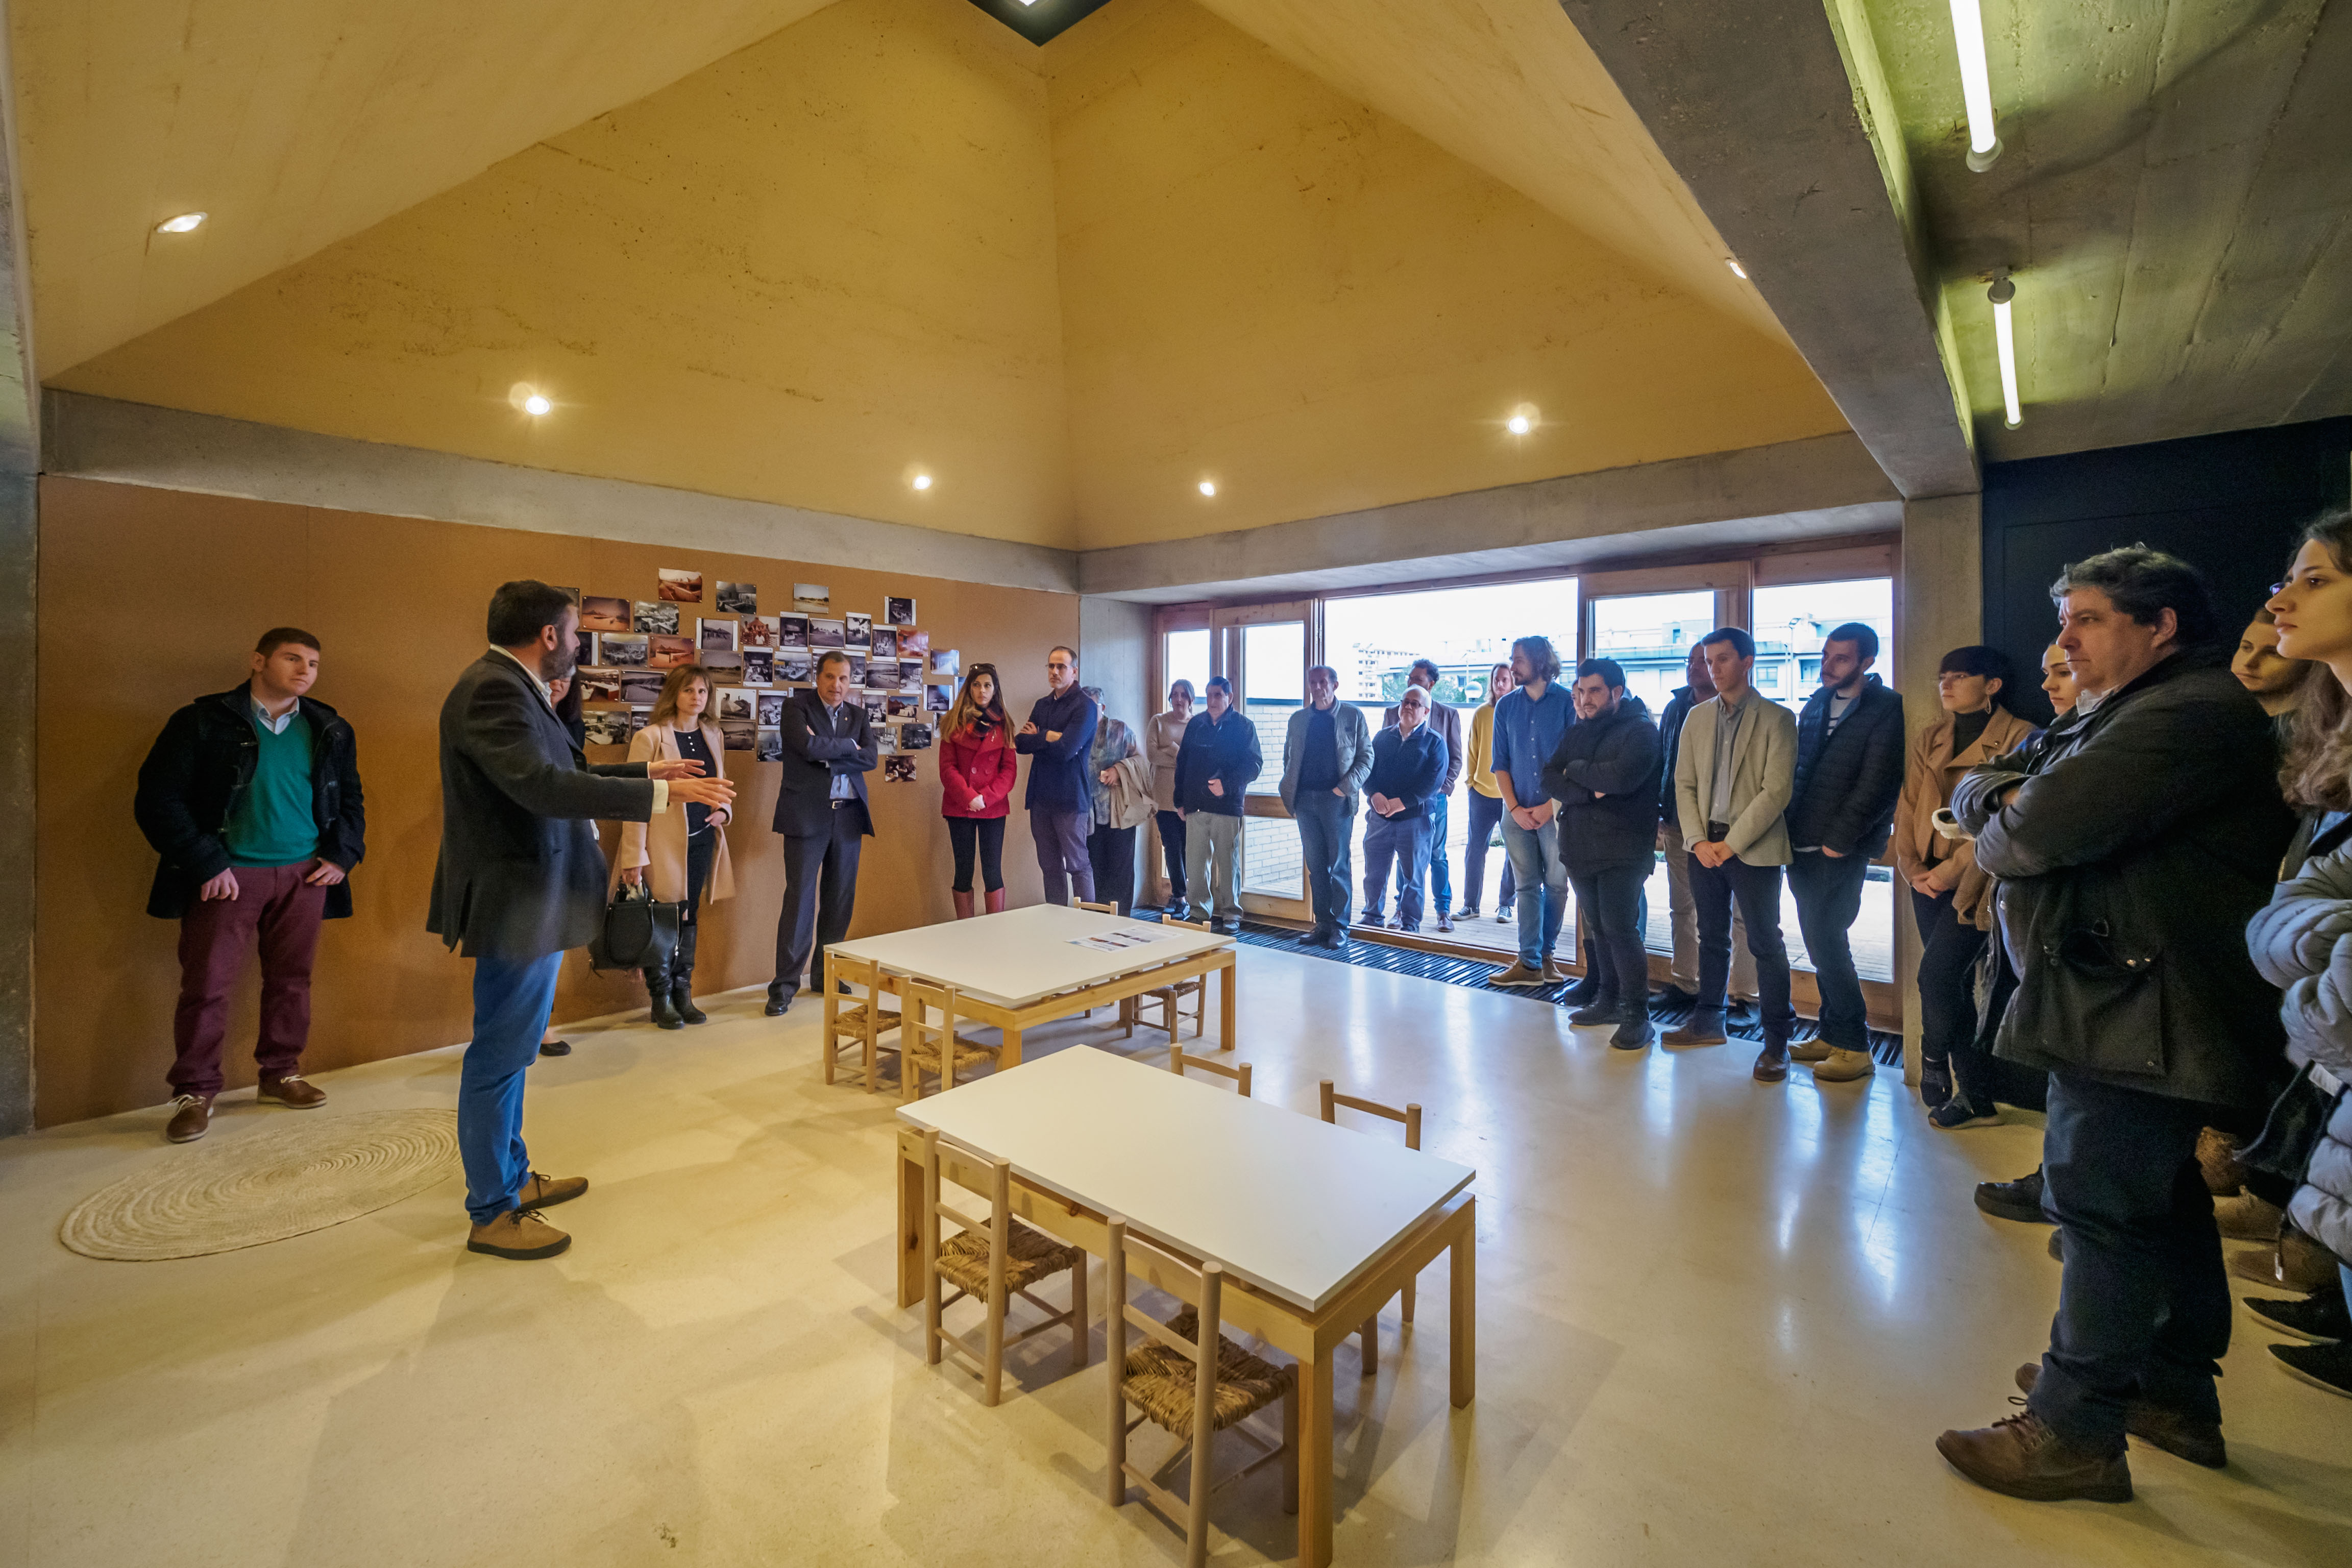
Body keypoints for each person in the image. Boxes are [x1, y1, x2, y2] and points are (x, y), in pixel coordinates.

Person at [1937, 547, 2294, 1501]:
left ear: (2158, 625)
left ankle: (2072, 1428)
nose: (2061, 641)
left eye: (2085, 620)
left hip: (2147, 1007)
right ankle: (2165, 1388)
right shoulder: (2127, 710)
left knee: (2096, 1208)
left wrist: (1990, 805)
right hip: (2126, 997)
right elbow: (2000, 778)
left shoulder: (2184, 714)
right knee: (2157, 1200)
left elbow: (2025, 831)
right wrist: (1991, 794)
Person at [428, 580, 733, 1260]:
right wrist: (661, 790)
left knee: (513, 1049)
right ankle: (490, 1209)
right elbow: (543, 789)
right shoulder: (494, 689)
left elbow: (562, 772)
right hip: (517, 899)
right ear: (548, 637)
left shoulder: (511, 686)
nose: (576, 644)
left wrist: (649, 775)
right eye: (572, 633)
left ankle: (509, 1179)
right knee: (500, 1055)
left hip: (533, 895)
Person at [134, 627, 367, 1143]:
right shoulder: (202, 721)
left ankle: (281, 1073)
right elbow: (159, 800)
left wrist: (342, 854)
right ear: (257, 660)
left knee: (292, 981)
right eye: (293, 658)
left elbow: (350, 799)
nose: (305, 670)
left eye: (313, 663)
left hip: (305, 875)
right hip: (228, 877)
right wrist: (206, 864)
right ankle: (195, 1092)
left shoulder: (328, 727)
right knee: (207, 987)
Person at [2250, 510, 2352, 1396]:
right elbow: (2295, 906)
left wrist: (2318, 979)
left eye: (2313, 580)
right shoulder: (2335, 736)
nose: (2281, 601)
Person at [1891, 647, 2034, 1124]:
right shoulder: (1932, 735)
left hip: (1976, 881)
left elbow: (2003, 823)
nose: (1946, 685)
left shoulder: (2022, 737)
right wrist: (1909, 865)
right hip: (1923, 879)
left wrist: (1946, 873)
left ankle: (1933, 1059)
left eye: (1959, 677)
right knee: (1948, 987)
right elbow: (1909, 804)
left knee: (1936, 978)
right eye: (1942, 677)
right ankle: (1977, 1096)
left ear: (1992, 684)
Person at [1665, 626, 1799, 1074]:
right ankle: (1708, 1022)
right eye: (1708, 660)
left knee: (1764, 942)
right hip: (1703, 845)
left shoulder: (1778, 719)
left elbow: (1776, 792)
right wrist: (1699, 841)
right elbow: (1683, 783)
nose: (1713, 669)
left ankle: (1776, 1041)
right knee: (1712, 936)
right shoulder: (1696, 717)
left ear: (1747, 661)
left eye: (1723, 659)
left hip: (1753, 847)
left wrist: (1731, 844)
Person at [1782, 622, 1905, 1086]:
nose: (1827, 666)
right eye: (1827, 655)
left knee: (1827, 939)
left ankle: (1855, 1044)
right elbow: (1798, 770)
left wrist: (1841, 838)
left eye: (1841, 658)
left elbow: (1878, 783)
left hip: (1840, 847)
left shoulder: (1886, 707)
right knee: (1821, 940)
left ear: (1867, 662)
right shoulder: (1815, 703)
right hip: (1799, 842)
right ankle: (1831, 1034)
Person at [1541, 658, 1664, 1049]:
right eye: (1581, 690)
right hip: (1580, 848)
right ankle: (1608, 1000)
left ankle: (1636, 1015)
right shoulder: (1579, 729)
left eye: (1594, 691)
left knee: (1621, 930)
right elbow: (1548, 777)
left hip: (1623, 849)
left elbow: (1621, 778)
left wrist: (1575, 770)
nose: (1585, 698)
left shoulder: (1641, 731)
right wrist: (1584, 787)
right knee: (1599, 929)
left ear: (1616, 692)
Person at [612, 664, 736, 1030]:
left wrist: (723, 812)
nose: (697, 698)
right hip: (660, 845)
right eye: (689, 691)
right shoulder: (650, 737)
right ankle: (660, 998)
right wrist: (634, 856)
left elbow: (721, 781)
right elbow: (633, 800)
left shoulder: (713, 733)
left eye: (702, 692)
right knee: (663, 918)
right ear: (674, 695)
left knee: (689, 917)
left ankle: (684, 994)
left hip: (700, 839)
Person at [767, 650, 877, 1014]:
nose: (837, 685)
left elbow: (872, 758)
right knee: (800, 901)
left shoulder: (857, 715)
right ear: (819, 677)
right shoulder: (796, 709)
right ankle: (784, 986)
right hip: (806, 817)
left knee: (839, 901)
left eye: (844, 679)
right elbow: (805, 745)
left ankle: (826, 975)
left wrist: (828, 751)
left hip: (847, 817)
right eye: (831, 677)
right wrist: (848, 748)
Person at [1655, 644, 1753, 1010]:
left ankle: (1744, 995)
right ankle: (1686, 984)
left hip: (1737, 831)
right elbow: (1664, 764)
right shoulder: (1676, 708)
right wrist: (1660, 810)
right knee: (1682, 908)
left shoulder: (1748, 712)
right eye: (1694, 661)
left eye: (1708, 661)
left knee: (1743, 918)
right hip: (1682, 826)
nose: (1698, 668)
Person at [1488, 635, 1576, 987]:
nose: (1513, 666)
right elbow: (1500, 764)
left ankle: (1546, 957)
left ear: (1540, 661)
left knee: (1556, 885)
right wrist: (1515, 808)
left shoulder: (1568, 703)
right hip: (1516, 814)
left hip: (1556, 812)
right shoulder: (1506, 706)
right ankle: (1528, 962)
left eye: (1519, 659)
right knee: (1526, 886)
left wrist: (1547, 807)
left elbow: (1575, 763)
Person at [1279, 664, 1373, 948]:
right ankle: (1322, 924)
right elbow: (1289, 758)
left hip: (1337, 802)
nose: (1317, 687)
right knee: (1316, 867)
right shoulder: (1298, 719)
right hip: (1305, 801)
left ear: (1335, 684)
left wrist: (1342, 789)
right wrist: (1293, 792)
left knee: (1339, 867)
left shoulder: (1352, 716)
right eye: (1313, 682)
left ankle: (1341, 927)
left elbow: (1366, 758)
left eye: (1323, 682)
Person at [1375, 659, 1464, 932]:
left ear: (1432, 684)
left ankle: (1443, 910)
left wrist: (1440, 790)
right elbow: (1384, 755)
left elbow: (1456, 759)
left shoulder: (1448, 714)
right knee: (1405, 856)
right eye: (1410, 678)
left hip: (1434, 800)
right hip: (1397, 804)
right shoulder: (1394, 712)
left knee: (1436, 854)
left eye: (1419, 679)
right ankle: (1401, 910)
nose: (1413, 682)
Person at [1173, 675, 1262, 934]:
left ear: (1230, 698)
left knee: (1228, 862)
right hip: (1195, 806)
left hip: (1227, 806)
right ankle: (1199, 913)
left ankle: (1231, 914)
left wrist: (1228, 784)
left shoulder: (1244, 727)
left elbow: (1254, 765)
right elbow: (1182, 763)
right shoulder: (1196, 725)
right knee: (1196, 864)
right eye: (1209, 695)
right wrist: (1179, 800)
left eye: (1218, 696)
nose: (1212, 701)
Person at [1358, 686, 1449, 932]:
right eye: (1405, 702)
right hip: (1380, 819)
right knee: (1374, 873)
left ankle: (1410, 925)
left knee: (1413, 879)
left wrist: (1402, 803)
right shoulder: (1382, 737)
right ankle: (1372, 917)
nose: (1408, 707)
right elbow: (1368, 771)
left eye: (1415, 704)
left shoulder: (1435, 742)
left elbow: (1433, 782)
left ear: (1426, 711)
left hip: (1415, 821)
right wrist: (1374, 794)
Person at [1016, 645, 1100, 905]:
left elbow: (1067, 750)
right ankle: (1056, 923)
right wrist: (1049, 736)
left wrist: (1039, 738)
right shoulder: (1042, 705)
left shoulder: (1085, 707)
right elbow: (1020, 743)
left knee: (1077, 865)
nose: (1054, 671)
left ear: (1074, 671)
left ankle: (1087, 923)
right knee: (1049, 867)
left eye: (1061, 667)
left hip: (1070, 799)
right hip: (1041, 798)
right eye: (1051, 666)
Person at [939, 663, 1018, 918]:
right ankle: (965, 929)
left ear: (995, 690)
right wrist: (969, 797)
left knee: (992, 871)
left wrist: (987, 798)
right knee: (963, 870)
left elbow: (1009, 771)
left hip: (992, 807)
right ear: (969, 688)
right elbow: (947, 768)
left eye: (987, 685)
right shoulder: (953, 721)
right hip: (960, 806)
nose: (982, 691)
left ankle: (994, 930)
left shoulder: (1005, 724)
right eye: (976, 685)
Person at [538, 673, 584, 1058]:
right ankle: (531, 1025)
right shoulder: (524, 718)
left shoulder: (570, 726)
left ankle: (541, 1021)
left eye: (568, 679)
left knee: (554, 937)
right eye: (553, 676)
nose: (559, 684)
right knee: (532, 939)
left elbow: (579, 782)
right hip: (533, 846)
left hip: (568, 839)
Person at [1085, 687, 1150, 915]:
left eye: (1090, 706)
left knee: (1120, 870)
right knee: (1094, 869)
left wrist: (1119, 770)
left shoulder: (1120, 730)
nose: (1085, 711)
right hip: (1088, 814)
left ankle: (1121, 920)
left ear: (1102, 708)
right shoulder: (1077, 732)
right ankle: (1097, 920)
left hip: (1119, 812)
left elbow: (1142, 761)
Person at [1460, 662, 1517, 922]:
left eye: (1506, 679)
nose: (1501, 684)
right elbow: (1472, 748)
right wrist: (1471, 782)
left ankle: (1506, 904)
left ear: (1513, 682)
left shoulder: (1518, 710)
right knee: (1475, 850)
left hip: (1513, 796)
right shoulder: (1482, 713)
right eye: (1497, 680)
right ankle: (1471, 905)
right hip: (1481, 793)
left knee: (1514, 852)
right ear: (1491, 683)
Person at [1146, 679, 1195, 918]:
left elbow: (1197, 758)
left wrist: (1172, 749)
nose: (1178, 700)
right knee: (1172, 847)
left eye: (1183, 695)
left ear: (1191, 699)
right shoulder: (1158, 721)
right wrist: (1180, 755)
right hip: (1163, 796)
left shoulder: (1197, 724)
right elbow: (1152, 754)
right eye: (1174, 695)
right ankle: (1180, 898)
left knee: (1188, 849)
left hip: (1190, 797)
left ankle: (1184, 895)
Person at [2233, 607, 2316, 744]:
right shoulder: (2226, 718)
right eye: (2247, 648)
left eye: (2273, 653)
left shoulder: (2314, 735)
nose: (2249, 663)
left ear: (2310, 663)